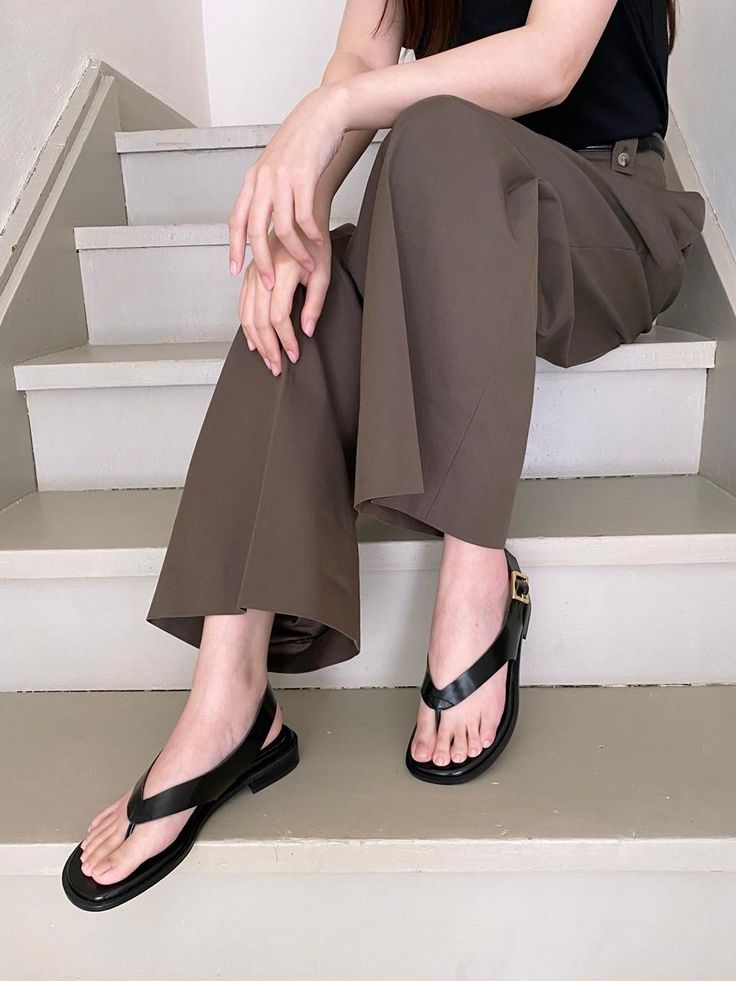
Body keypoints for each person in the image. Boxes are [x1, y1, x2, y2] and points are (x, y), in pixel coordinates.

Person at [62, 0, 705, 910]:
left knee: (434, 132)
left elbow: (549, 62)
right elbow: (360, 53)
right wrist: (305, 216)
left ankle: (476, 567)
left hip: (601, 215)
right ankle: (229, 695)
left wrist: (331, 118)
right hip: (448, 219)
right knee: (302, 297)